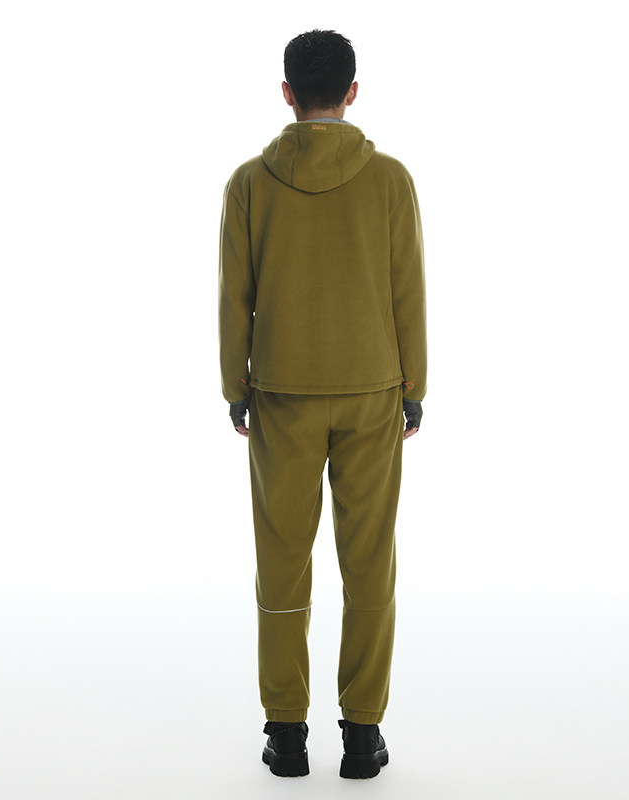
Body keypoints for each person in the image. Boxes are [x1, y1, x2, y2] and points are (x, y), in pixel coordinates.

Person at [218, 28, 427, 779]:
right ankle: (363, 737)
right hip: (373, 389)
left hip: (280, 393)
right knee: (369, 561)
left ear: (287, 94)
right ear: (352, 91)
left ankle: (286, 734)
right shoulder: (391, 179)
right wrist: (414, 388)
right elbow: (408, 289)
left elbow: (234, 297)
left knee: (281, 560)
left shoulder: (249, 183)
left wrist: (235, 387)